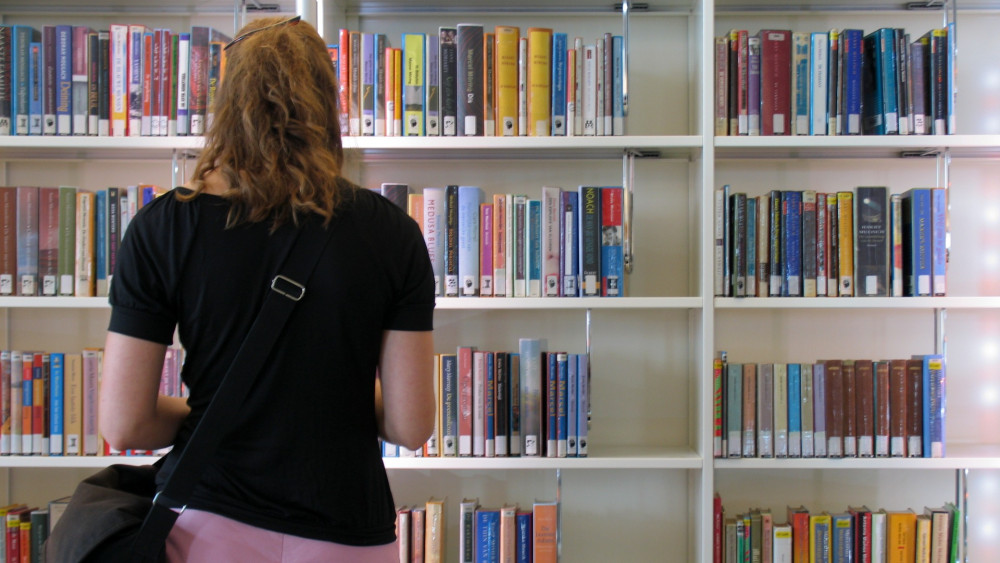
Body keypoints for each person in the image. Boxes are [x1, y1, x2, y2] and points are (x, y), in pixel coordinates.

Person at [98, 15, 436, 561]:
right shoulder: (391, 232)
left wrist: (216, 410)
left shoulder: (164, 227)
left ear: (226, 103)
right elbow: (410, 424)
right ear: (328, 103)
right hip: (346, 528)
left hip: (206, 520)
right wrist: (332, 396)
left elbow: (125, 421)